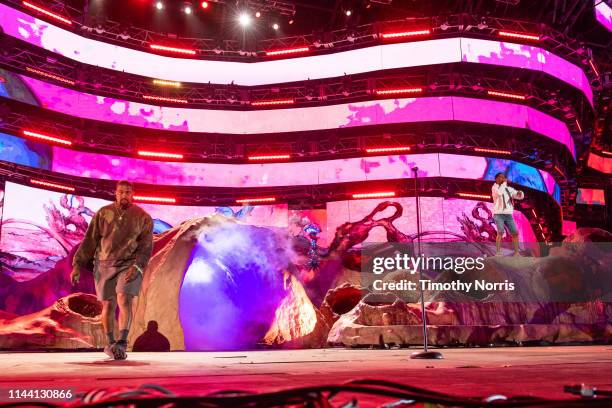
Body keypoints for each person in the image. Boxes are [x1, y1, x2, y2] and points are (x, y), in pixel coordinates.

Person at [71, 180, 153, 359]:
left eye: (128, 192)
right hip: (103, 264)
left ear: (133, 194)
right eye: (121, 192)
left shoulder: (143, 217)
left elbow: (146, 247)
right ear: (115, 193)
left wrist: (138, 266)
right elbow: (90, 241)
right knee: (108, 304)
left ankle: (122, 343)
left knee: (124, 299)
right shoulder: (103, 213)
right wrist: (77, 265)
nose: (124, 195)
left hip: (129, 264)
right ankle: (110, 343)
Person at [491, 173, 524, 256]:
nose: (503, 178)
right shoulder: (494, 188)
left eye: (504, 177)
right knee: (500, 232)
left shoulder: (509, 189)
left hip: (508, 215)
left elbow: (517, 195)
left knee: (515, 233)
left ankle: (516, 253)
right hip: (499, 214)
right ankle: (498, 253)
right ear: (497, 179)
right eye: (501, 177)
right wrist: (504, 183)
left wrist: (520, 193)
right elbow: (500, 193)